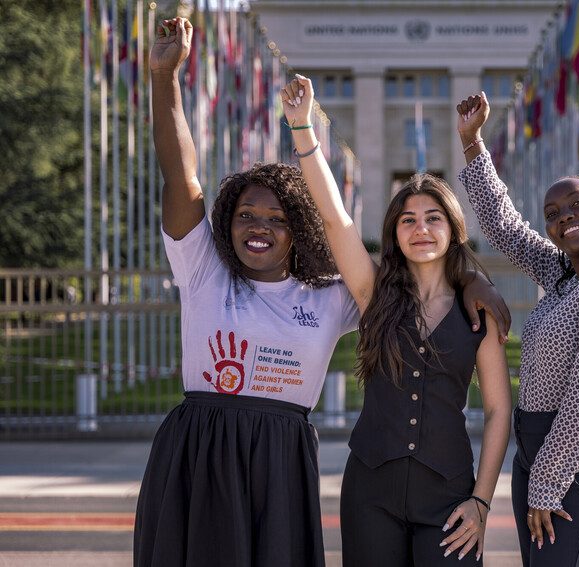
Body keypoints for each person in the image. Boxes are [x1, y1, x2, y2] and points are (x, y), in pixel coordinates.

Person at [135, 19, 510, 567]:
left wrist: (470, 276)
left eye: (276, 217)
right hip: (203, 450)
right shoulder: (202, 270)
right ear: (226, 223)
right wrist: (164, 77)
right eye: (245, 215)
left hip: (282, 462)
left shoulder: (330, 297)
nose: (258, 226)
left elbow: (390, 256)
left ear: (298, 232)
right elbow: (181, 177)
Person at [280, 75, 513, 565]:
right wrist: (302, 129)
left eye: (433, 218)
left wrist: (482, 501)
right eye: (408, 219)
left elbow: (497, 412)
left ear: (453, 228)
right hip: (371, 492)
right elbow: (335, 219)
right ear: (394, 231)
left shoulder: (479, 310)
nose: (421, 229)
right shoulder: (373, 291)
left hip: (450, 496)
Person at [455, 92, 579, 567]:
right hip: (543, 454)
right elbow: (506, 228)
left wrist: (547, 479)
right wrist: (471, 143)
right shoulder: (565, 274)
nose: (563, 216)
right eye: (552, 213)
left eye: (576, 204)